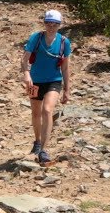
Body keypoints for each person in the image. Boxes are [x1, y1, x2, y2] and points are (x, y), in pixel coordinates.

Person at [20, 9, 72, 164]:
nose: (51, 26)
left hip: (54, 80)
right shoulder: (36, 38)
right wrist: (27, 74)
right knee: (35, 113)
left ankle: (43, 149)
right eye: (48, 23)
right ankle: (37, 141)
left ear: (59, 25)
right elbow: (24, 60)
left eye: (55, 23)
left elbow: (65, 67)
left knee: (47, 110)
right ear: (44, 23)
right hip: (35, 80)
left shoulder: (64, 43)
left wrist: (67, 90)